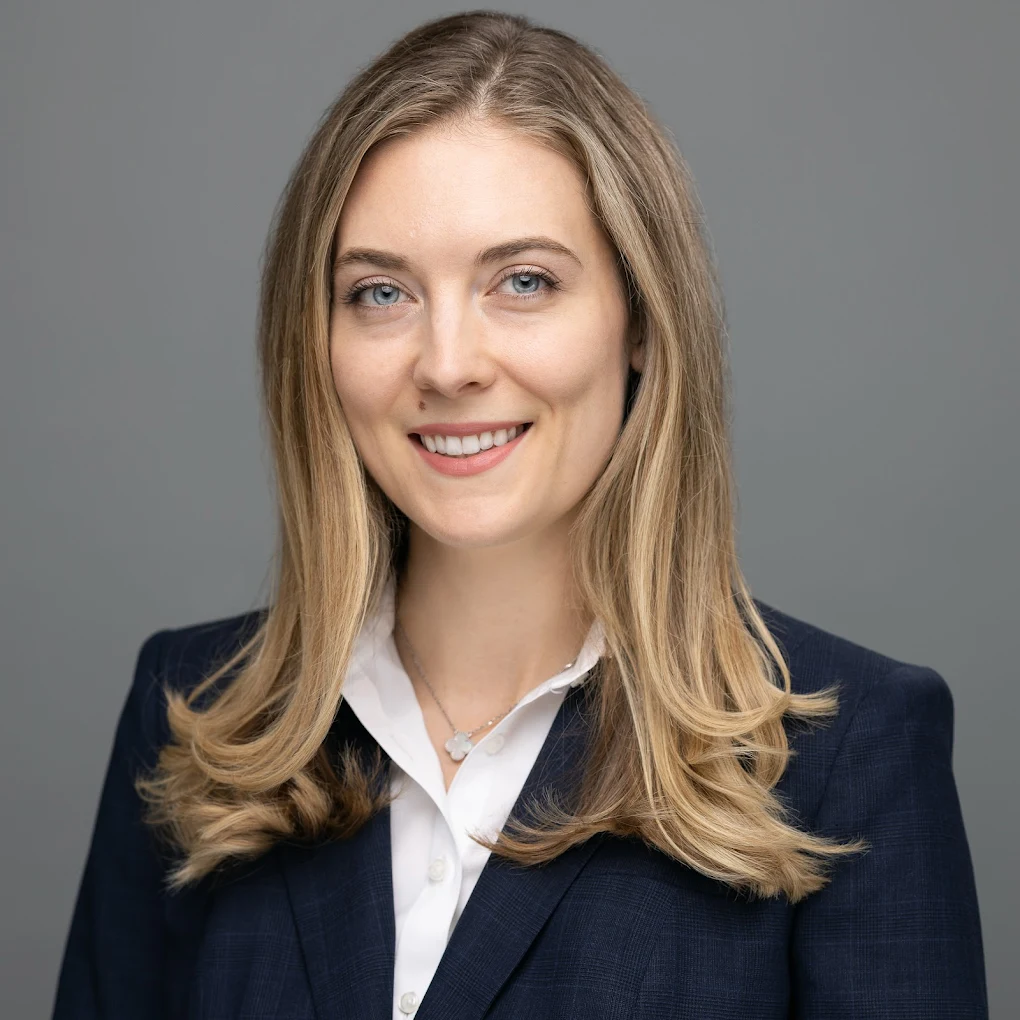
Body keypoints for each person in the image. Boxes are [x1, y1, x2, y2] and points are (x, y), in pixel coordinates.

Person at [52, 10, 987, 1019]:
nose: (448, 363)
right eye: (379, 293)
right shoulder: (191, 717)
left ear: (639, 320)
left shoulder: (852, 759)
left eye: (524, 281)